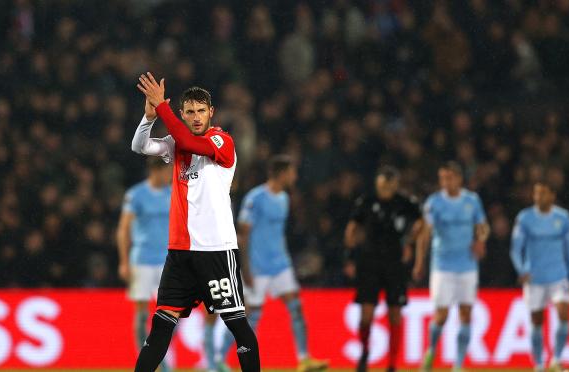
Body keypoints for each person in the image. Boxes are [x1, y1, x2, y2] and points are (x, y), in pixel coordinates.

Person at [132, 73, 260, 372]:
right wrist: (149, 116)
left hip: (217, 250)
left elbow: (189, 140)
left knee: (237, 325)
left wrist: (162, 105)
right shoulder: (174, 145)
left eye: (201, 111)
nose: (196, 117)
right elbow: (140, 146)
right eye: (189, 112)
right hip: (180, 253)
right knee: (161, 326)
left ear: (211, 112)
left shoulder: (221, 140)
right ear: (183, 114)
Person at [214, 155, 328, 372]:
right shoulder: (255, 198)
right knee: (249, 315)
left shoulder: (284, 198)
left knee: (296, 307)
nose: (295, 176)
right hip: (257, 267)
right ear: (282, 173)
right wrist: (245, 268)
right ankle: (219, 357)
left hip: (280, 265)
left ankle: (304, 359)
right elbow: (243, 235)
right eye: (292, 172)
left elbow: (276, 234)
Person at [344, 166, 424, 372]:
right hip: (369, 263)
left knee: (395, 314)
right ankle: (364, 353)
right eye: (382, 186)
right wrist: (350, 257)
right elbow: (352, 229)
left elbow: (422, 223)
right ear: (377, 185)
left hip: (394, 264)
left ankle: (392, 364)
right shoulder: (367, 202)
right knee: (366, 314)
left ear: (396, 185)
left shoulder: (405, 203)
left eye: (389, 186)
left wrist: (409, 241)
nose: (385, 190)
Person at [414, 161, 489, 372]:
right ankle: (431, 350)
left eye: (449, 178)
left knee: (466, 313)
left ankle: (458, 364)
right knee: (442, 315)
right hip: (442, 266)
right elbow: (425, 233)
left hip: (467, 265)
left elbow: (482, 226)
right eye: (442, 179)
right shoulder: (434, 203)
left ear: (459, 178)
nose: (445, 183)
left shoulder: (472, 201)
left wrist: (481, 240)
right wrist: (420, 261)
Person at [510, 181, 569, 372]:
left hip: (559, 276)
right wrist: (521, 270)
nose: (538, 197)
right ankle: (539, 364)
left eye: (542, 193)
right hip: (534, 278)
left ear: (552, 195)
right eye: (536, 193)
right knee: (537, 320)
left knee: (564, 313)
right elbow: (516, 249)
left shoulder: (563, 218)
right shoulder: (524, 218)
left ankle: (556, 360)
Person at [116, 157, 173, 371]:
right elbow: (123, 229)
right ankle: (145, 359)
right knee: (141, 314)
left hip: (167, 261)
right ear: (156, 170)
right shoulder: (136, 195)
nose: (170, 175)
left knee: (170, 312)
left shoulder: (172, 193)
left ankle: (161, 356)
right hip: (141, 260)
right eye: (167, 171)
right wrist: (124, 262)